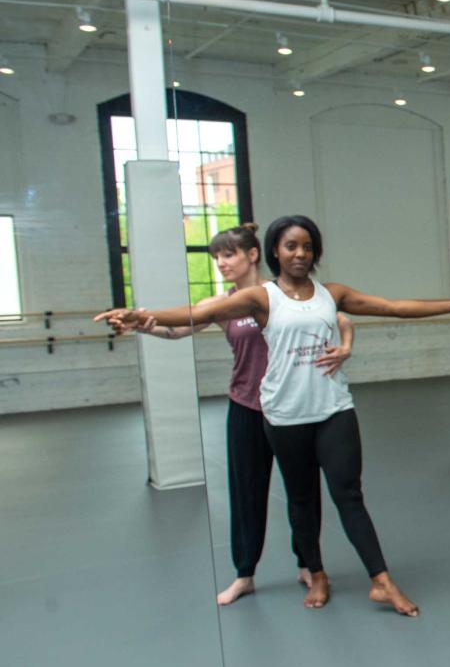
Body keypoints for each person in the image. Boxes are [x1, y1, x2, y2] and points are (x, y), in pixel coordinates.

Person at [102, 215, 450, 618]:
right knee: (302, 498)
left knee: (349, 495)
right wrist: (137, 317)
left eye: (307, 246)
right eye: (291, 246)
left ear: (315, 252)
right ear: (274, 251)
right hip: (284, 416)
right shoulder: (260, 298)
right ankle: (315, 572)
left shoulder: (331, 294)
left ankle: (382, 580)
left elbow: (392, 307)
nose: (300, 253)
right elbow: (195, 313)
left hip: (333, 409)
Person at [101, 223, 355, 606]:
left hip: (292, 407)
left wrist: (346, 347)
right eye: (216, 257)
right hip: (247, 407)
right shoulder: (224, 304)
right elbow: (179, 329)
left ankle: (309, 565)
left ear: (253, 255)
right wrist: (147, 325)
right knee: (246, 492)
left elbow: (341, 319)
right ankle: (245, 574)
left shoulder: (283, 294)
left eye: (228, 254)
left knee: (302, 491)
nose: (220, 263)